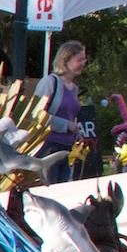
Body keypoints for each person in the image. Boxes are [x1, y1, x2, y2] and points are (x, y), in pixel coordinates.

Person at [35, 40, 89, 183]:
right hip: (49, 147)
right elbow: (36, 115)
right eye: (80, 59)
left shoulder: (74, 88)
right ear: (66, 60)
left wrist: (77, 133)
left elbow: (71, 116)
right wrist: (66, 125)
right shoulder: (50, 82)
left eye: (84, 59)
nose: (84, 63)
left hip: (67, 149)